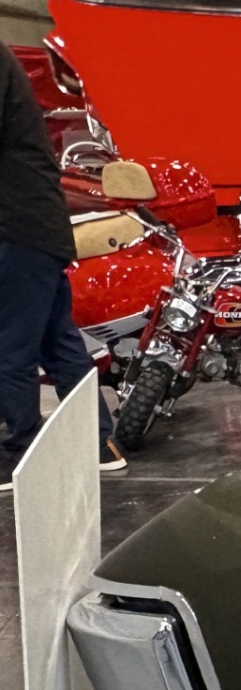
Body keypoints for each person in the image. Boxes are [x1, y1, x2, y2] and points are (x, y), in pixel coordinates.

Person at [0, 45, 123, 488]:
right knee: (58, 342)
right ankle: (99, 444)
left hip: (16, 225)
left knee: (9, 348)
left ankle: (24, 455)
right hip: (39, 225)